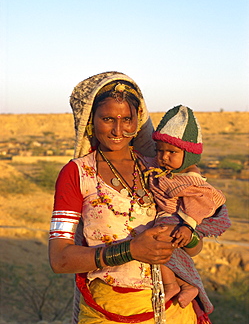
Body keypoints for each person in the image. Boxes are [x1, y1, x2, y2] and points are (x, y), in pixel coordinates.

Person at [49, 72, 230, 324]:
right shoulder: (77, 173)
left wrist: (186, 234)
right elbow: (59, 259)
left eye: (127, 119)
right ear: (91, 120)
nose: (118, 129)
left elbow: (196, 248)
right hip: (109, 310)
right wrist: (131, 250)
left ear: (139, 121)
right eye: (108, 119)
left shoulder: (158, 168)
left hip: (175, 309)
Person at [147, 105, 227, 310]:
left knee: (157, 245)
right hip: (167, 218)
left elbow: (199, 204)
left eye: (172, 152)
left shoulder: (190, 179)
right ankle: (186, 285)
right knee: (165, 254)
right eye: (159, 151)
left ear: (189, 155)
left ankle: (173, 285)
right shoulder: (166, 169)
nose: (164, 157)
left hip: (177, 220)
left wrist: (188, 226)